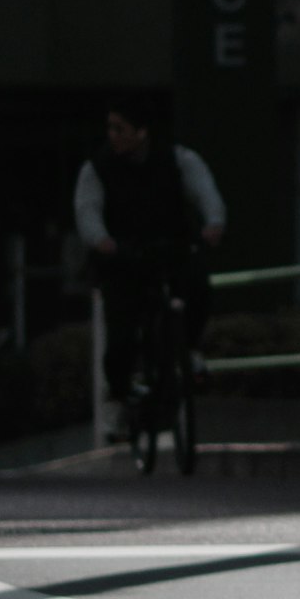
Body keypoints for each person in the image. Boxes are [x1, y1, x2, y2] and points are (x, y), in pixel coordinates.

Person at [73, 100, 224, 408]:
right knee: (121, 335)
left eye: (120, 128)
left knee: (197, 287)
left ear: (142, 132)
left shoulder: (176, 158)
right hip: (123, 258)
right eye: (110, 128)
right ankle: (120, 392)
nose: (113, 135)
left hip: (170, 249)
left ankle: (189, 349)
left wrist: (213, 223)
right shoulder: (98, 168)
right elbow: (87, 209)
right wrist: (100, 240)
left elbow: (205, 190)